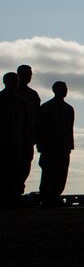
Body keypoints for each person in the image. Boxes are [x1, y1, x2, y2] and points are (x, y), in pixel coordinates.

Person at [35, 81, 74, 207]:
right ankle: (46, 197)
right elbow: (39, 128)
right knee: (48, 173)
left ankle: (55, 196)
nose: (65, 91)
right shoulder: (46, 108)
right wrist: (41, 145)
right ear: (55, 90)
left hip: (64, 146)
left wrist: (69, 146)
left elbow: (70, 129)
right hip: (49, 147)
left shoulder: (69, 109)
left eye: (66, 88)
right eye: (62, 88)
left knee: (62, 173)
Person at [0, 72, 26, 205]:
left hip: (17, 140)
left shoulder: (21, 101)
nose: (15, 82)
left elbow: (27, 122)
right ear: (5, 81)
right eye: (12, 80)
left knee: (16, 168)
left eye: (17, 79)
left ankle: (14, 194)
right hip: (2, 141)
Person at [16, 65, 39, 198]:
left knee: (25, 166)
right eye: (26, 74)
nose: (29, 77)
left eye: (30, 74)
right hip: (10, 139)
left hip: (28, 137)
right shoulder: (9, 95)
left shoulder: (33, 95)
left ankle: (18, 192)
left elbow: (38, 117)